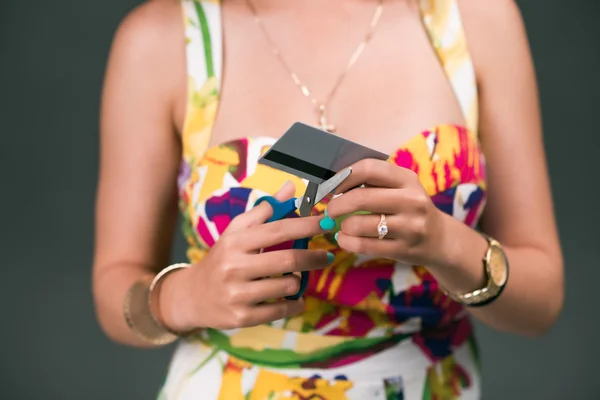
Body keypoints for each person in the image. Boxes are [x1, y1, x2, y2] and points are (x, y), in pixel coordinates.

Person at [92, 0, 564, 398]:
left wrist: (447, 243)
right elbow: (115, 283)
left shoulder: (475, 19)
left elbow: (542, 302)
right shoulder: (164, 39)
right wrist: (184, 296)